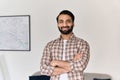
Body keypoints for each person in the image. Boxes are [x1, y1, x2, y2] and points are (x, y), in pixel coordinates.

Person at [40, 10, 90, 80]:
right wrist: (72, 62)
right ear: (57, 24)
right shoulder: (49, 45)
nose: (64, 24)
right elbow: (43, 69)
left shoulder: (83, 44)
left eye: (68, 21)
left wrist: (55, 62)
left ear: (73, 23)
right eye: (61, 21)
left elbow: (81, 66)